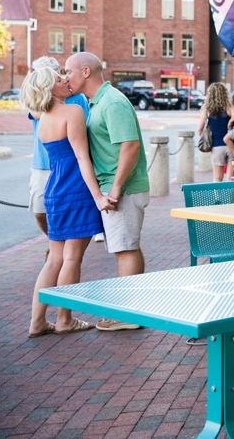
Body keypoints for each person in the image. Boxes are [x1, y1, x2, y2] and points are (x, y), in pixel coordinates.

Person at [21, 67, 113, 337]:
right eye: (58, 79)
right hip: (75, 190)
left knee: (54, 261)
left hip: (54, 191)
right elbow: (83, 159)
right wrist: (98, 197)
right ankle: (65, 319)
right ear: (50, 89)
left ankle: (37, 322)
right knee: (72, 258)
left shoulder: (44, 119)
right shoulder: (72, 112)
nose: (64, 80)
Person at [64, 52, 150, 332]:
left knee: (124, 249)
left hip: (122, 189)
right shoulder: (98, 101)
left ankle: (126, 315)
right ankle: (133, 309)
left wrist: (115, 187)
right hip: (120, 188)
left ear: (86, 72)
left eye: (69, 72)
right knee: (129, 247)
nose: (66, 77)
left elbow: (130, 145)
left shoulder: (111, 102)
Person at [27, 57, 92, 247]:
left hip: (70, 167)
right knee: (40, 212)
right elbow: (39, 111)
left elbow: (85, 133)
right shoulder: (38, 101)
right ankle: (56, 241)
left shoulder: (77, 99)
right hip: (43, 165)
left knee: (68, 253)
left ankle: (59, 245)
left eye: (51, 75)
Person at [198, 83, 234, 181]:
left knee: (217, 178)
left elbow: (200, 129)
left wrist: (207, 140)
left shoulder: (207, 110)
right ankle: (229, 196)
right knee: (230, 178)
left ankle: (218, 197)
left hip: (216, 146)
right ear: (224, 93)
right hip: (232, 145)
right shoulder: (229, 107)